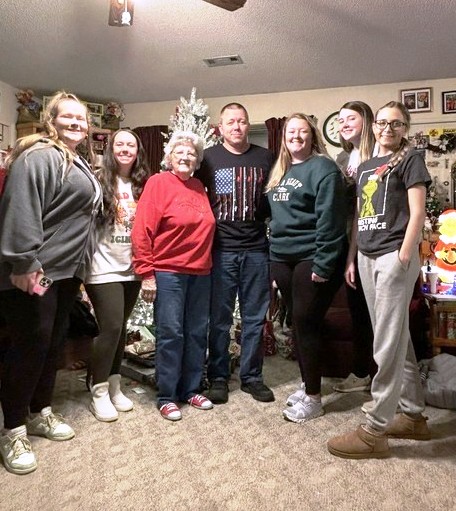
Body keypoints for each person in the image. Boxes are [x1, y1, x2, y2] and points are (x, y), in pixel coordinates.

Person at [0, 91, 102, 475]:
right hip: (36, 270)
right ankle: (12, 429)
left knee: (52, 343)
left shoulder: (76, 160)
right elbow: (21, 207)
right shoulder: (39, 156)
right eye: (67, 116)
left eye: (81, 118)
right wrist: (24, 262)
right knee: (32, 344)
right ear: (51, 120)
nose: (76, 122)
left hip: (65, 273)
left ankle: (40, 410)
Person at [327, 101, 432, 459]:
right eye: (383, 123)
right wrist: (353, 257)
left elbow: (417, 212)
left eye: (396, 124)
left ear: (405, 128)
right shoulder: (366, 166)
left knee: (385, 342)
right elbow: (360, 215)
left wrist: (404, 255)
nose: (388, 129)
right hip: (367, 255)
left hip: (392, 256)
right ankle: (414, 416)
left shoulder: (411, 159)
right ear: (374, 127)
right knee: (396, 336)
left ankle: (375, 428)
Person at [266, 113, 347, 423]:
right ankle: (307, 383)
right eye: (291, 131)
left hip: (311, 256)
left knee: (305, 322)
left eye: (302, 131)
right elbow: (274, 216)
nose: (296, 136)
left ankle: (314, 399)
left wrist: (324, 263)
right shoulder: (281, 169)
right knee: (297, 325)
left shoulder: (324, 168)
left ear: (313, 135)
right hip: (282, 257)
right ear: (284, 136)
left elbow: (331, 220)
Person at [131, 131, 215, 421]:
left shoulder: (199, 186)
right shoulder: (158, 183)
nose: (185, 156)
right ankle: (166, 395)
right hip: (169, 272)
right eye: (179, 151)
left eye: (191, 153)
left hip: (201, 272)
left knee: (196, 332)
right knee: (171, 333)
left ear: (197, 160)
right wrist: (146, 273)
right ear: (168, 157)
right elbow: (142, 229)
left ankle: (191, 389)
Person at [195, 103, 275, 404]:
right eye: (230, 122)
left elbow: (275, 199)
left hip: (256, 250)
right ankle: (218, 376)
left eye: (241, 121)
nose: (237, 127)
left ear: (248, 124)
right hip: (221, 250)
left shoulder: (265, 157)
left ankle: (252, 377)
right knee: (219, 319)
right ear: (220, 127)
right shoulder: (208, 158)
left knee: (254, 318)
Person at [85, 129, 150, 422]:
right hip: (102, 265)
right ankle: (98, 389)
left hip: (132, 266)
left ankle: (114, 384)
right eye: (119, 144)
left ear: (138, 151)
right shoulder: (98, 179)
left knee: (121, 327)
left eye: (131, 145)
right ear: (111, 149)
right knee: (110, 326)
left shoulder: (143, 184)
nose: (125, 149)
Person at [332, 101, 375, 394]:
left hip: (374, 241)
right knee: (358, 309)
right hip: (349, 239)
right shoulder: (342, 158)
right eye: (341, 120)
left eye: (351, 118)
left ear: (366, 121)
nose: (344, 124)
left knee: (378, 313)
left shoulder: (379, 154)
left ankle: (384, 376)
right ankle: (361, 372)